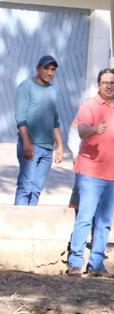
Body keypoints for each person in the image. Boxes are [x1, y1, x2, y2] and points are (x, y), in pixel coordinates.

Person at [67, 69, 114, 276]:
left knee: (105, 221)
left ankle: (96, 264)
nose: (108, 86)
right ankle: (75, 262)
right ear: (98, 84)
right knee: (86, 217)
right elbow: (81, 131)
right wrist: (94, 129)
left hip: (113, 174)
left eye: (112, 83)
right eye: (104, 82)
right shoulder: (88, 106)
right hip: (90, 171)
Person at [69, 69, 114, 211]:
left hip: (111, 170)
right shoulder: (90, 106)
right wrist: (76, 154)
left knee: (103, 209)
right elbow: (75, 131)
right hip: (88, 167)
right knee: (80, 204)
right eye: (112, 83)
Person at [14, 55, 64, 205]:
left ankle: (29, 224)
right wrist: (26, 143)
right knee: (25, 187)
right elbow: (20, 118)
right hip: (31, 145)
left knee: (36, 189)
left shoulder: (52, 90)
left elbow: (54, 120)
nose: (49, 72)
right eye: (46, 68)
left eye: (53, 69)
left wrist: (60, 145)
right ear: (37, 68)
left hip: (47, 148)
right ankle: (18, 225)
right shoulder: (26, 86)